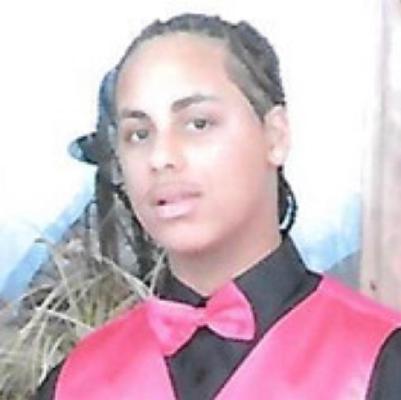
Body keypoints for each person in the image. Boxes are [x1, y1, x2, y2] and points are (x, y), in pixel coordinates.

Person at [34, 13, 401, 400]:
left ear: (275, 136)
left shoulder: (382, 362)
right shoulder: (74, 383)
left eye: (198, 123)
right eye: (138, 134)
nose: (160, 157)